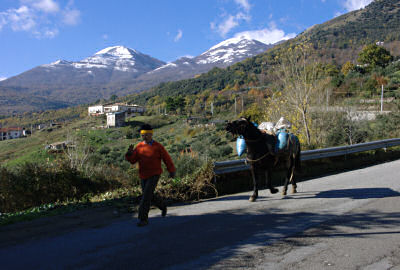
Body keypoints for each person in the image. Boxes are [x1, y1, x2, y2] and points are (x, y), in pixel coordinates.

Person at [125, 124, 176, 227]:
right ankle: (162, 206)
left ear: (151, 134)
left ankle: (143, 219)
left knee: (145, 197)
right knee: (149, 195)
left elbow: (167, 159)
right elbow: (133, 161)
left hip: (154, 174)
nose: (144, 136)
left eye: (146, 134)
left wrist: (171, 170)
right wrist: (129, 154)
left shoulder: (158, 146)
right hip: (143, 175)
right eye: (142, 135)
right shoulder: (139, 147)